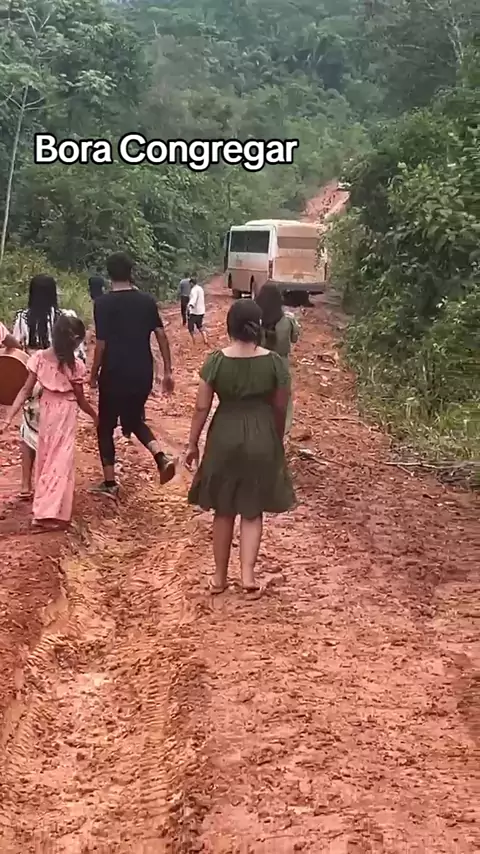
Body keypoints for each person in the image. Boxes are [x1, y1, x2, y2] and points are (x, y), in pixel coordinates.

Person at [186, 299, 295, 596]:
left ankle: (219, 577)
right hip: (261, 435)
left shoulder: (216, 361)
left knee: (224, 510)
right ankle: (248, 575)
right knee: (252, 508)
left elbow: (201, 406)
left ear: (229, 326)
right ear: (258, 327)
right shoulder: (274, 362)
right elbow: (281, 405)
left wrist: (192, 443)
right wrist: (274, 437)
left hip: (224, 436)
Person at [90, 251, 176, 497]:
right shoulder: (146, 301)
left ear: (109, 274)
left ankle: (110, 484)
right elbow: (161, 336)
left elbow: (101, 345)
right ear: (131, 272)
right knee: (134, 420)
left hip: (113, 372)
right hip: (142, 372)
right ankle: (161, 457)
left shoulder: (102, 304)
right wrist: (167, 371)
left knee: (106, 425)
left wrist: (93, 375)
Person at [1, 315, 97, 530]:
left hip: (46, 411)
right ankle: (49, 514)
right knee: (61, 462)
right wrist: (95, 415)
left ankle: (43, 510)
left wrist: (8, 417)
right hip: (65, 414)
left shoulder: (39, 358)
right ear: (75, 341)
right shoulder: (76, 366)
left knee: (46, 460)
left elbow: (25, 390)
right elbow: (81, 399)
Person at [12, 274, 86, 499]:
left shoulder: (23, 318)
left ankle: (26, 484)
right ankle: (51, 482)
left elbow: (17, 347)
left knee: (28, 431)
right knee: (56, 436)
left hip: (34, 375)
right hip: (60, 379)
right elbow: (78, 352)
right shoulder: (64, 318)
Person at [255, 283, 300, 433]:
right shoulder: (288, 320)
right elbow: (294, 338)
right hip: (282, 363)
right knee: (284, 399)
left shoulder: (256, 320)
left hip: (261, 362)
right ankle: (282, 431)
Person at [187, 275, 207, 345]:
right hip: (201, 311)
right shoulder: (200, 288)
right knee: (200, 326)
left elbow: (194, 299)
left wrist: (190, 306)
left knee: (190, 327)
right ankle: (205, 339)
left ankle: (194, 341)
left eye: (190, 284)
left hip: (195, 312)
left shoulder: (194, 290)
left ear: (192, 283)